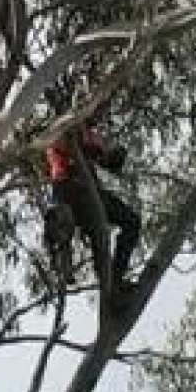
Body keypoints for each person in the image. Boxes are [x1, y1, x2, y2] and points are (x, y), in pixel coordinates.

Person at [41, 98, 141, 307]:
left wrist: (114, 154)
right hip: (68, 189)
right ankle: (60, 252)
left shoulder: (91, 133)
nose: (98, 117)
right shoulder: (65, 125)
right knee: (78, 224)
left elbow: (110, 159)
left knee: (130, 221)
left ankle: (114, 281)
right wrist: (91, 146)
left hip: (92, 193)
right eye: (96, 111)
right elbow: (60, 142)